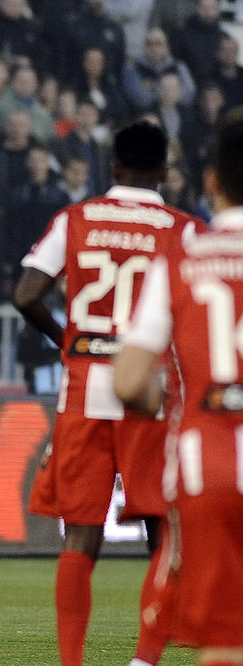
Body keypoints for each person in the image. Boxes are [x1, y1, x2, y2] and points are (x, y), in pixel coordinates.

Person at [12, 121, 198, 666]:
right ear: (165, 171)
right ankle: (145, 658)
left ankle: (72, 661)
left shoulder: (76, 219)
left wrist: (69, 341)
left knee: (81, 536)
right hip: (150, 391)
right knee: (163, 529)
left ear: (113, 167)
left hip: (85, 389)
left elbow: (26, 294)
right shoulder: (181, 229)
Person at [113, 108, 243, 666]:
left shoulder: (182, 256)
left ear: (211, 182)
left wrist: (166, 400)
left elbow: (127, 380)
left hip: (206, 460)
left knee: (223, 640)